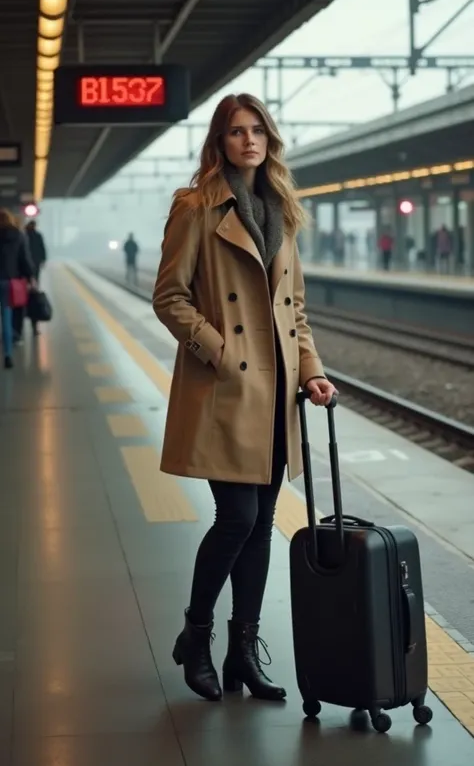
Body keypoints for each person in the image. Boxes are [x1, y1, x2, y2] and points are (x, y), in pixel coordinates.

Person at [152, 93, 336, 703]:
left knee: (260, 531)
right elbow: (170, 297)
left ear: (270, 138)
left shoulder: (282, 209)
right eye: (236, 131)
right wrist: (218, 349)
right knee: (238, 517)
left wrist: (310, 371)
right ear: (220, 141)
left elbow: (295, 311)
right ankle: (195, 634)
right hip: (225, 390)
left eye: (257, 130)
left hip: (278, 394)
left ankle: (242, 653)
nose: (248, 140)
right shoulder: (196, 207)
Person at [0, 208, 35, 368]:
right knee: (7, 320)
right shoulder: (18, 236)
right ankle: (7, 356)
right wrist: (30, 278)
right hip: (9, 282)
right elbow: (25, 259)